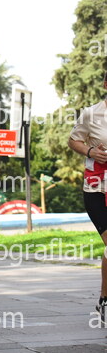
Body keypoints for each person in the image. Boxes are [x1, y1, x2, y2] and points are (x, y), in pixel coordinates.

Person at [67, 71, 107, 325]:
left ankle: (104, 297)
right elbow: (73, 141)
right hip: (97, 189)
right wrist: (91, 151)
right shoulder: (92, 114)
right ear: (105, 84)